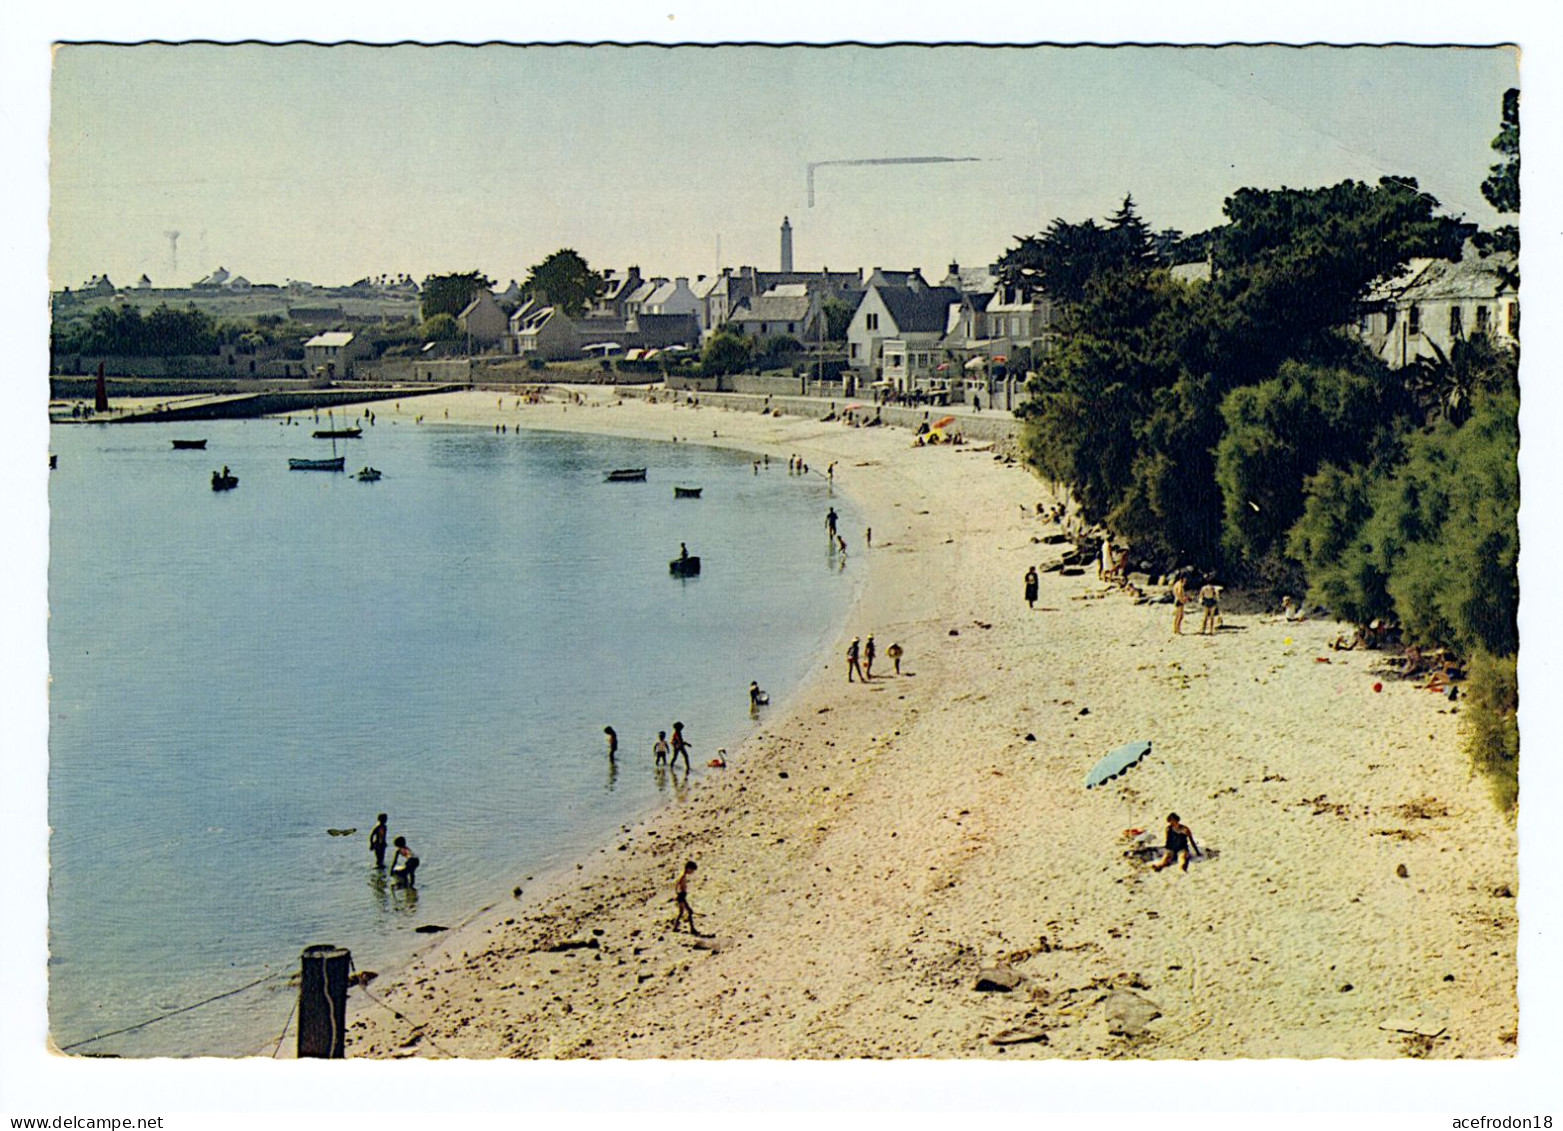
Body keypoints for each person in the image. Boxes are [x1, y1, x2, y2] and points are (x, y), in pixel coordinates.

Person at [671, 861, 698, 933]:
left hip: (681, 895)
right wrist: (678, 893)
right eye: (692, 870)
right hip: (681, 896)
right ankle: (692, 929)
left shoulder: (683, 875)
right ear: (688, 868)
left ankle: (675, 927)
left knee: (681, 912)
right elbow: (677, 885)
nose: (692, 872)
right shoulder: (682, 876)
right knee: (689, 911)